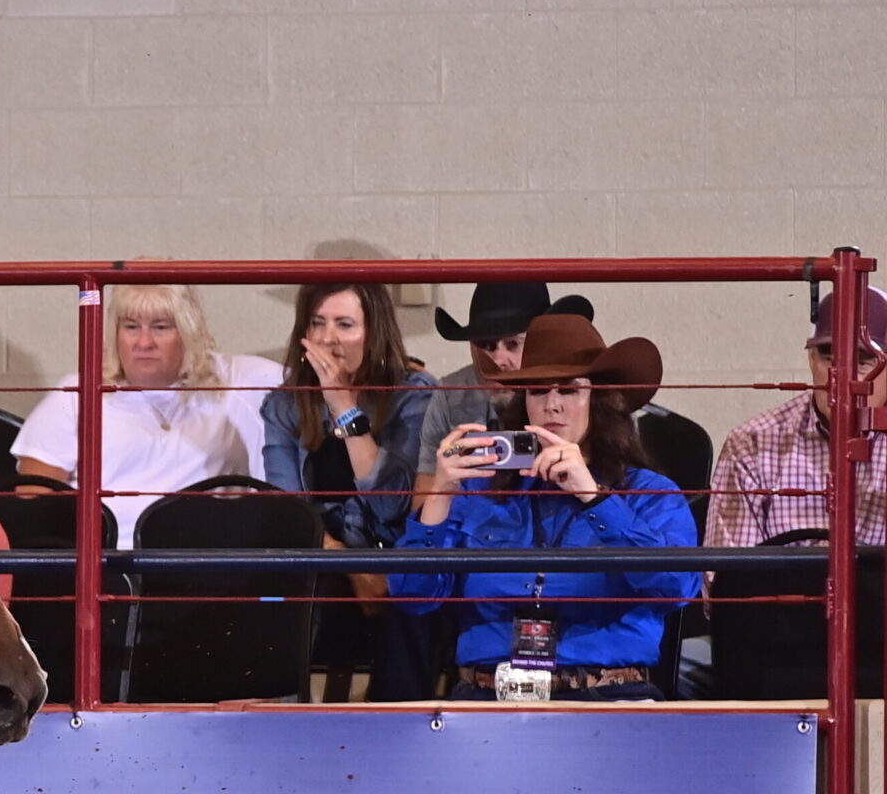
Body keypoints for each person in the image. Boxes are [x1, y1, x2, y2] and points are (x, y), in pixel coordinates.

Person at [397, 315, 698, 701]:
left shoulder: (647, 493)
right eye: (538, 391)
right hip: (488, 696)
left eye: (569, 390)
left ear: (600, 400)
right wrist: (440, 492)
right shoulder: (482, 490)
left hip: (607, 696)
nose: (552, 405)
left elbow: (676, 588)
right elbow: (412, 595)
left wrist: (594, 497)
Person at [11, 283, 283, 540]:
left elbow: (315, 385)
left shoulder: (238, 378)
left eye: (160, 327)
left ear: (188, 332)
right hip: (106, 565)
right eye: (131, 327)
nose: (144, 342)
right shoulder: (76, 393)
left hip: (209, 561)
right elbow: (34, 496)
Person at [261, 283, 437, 550]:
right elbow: (289, 511)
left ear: (374, 334)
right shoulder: (284, 405)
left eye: (344, 325)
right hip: (319, 558)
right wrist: (344, 564)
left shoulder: (413, 396)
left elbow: (392, 507)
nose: (326, 338)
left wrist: (345, 409)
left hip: (394, 557)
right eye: (316, 323)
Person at [707, 287, 887, 549]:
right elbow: (727, 575)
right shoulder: (753, 443)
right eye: (829, 359)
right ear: (811, 359)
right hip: (781, 590)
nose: (842, 378)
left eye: (862, 362)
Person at [418, 283, 595, 463]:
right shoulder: (451, 395)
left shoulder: (583, 394)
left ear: (542, 342)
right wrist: (444, 485)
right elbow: (426, 487)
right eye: (486, 346)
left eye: (513, 344)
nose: (498, 360)